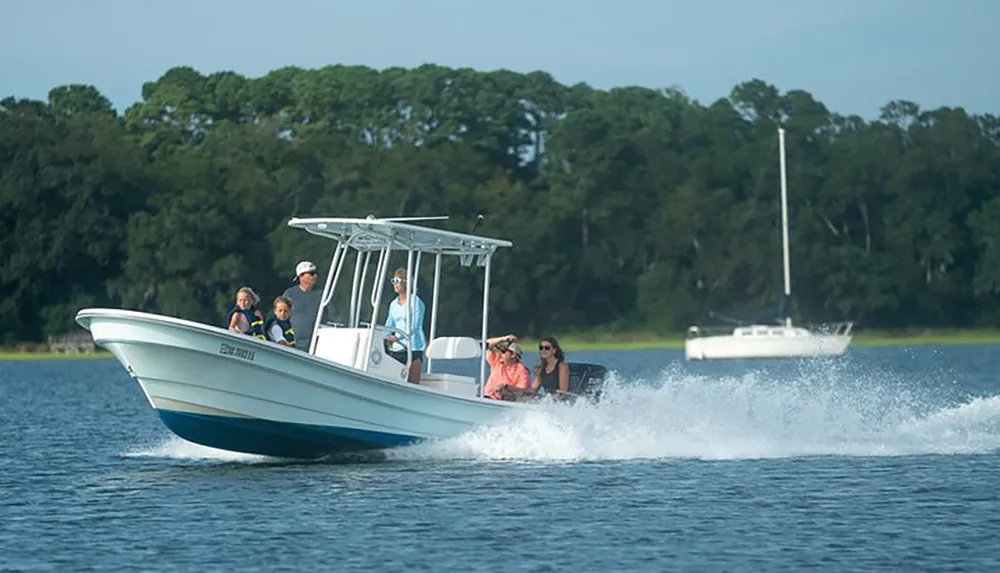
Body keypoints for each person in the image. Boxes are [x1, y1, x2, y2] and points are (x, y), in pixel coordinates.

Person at [383, 267, 426, 384]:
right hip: (396, 349)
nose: (394, 284)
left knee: (412, 383)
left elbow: (415, 326)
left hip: (413, 348)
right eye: (393, 281)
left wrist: (399, 337)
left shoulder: (416, 301)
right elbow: (389, 324)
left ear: (405, 282)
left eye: (397, 281)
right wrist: (385, 336)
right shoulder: (393, 304)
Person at [282, 261, 322, 351]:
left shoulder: (322, 295)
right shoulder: (289, 294)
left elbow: (334, 317)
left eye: (316, 273)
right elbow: (279, 317)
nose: (315, 276)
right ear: (301, 276)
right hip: (292, 344)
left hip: (315, 346)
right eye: (311, 274)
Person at [482, 334, 531, 400]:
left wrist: (506, 387)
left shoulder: (522, 371)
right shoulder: (496, 361)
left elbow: (523, 391)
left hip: (504, 402)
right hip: (487, 398)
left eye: (503, 352)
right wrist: (503, 338)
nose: (500, 354)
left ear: (513, 354)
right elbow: (486, 344)